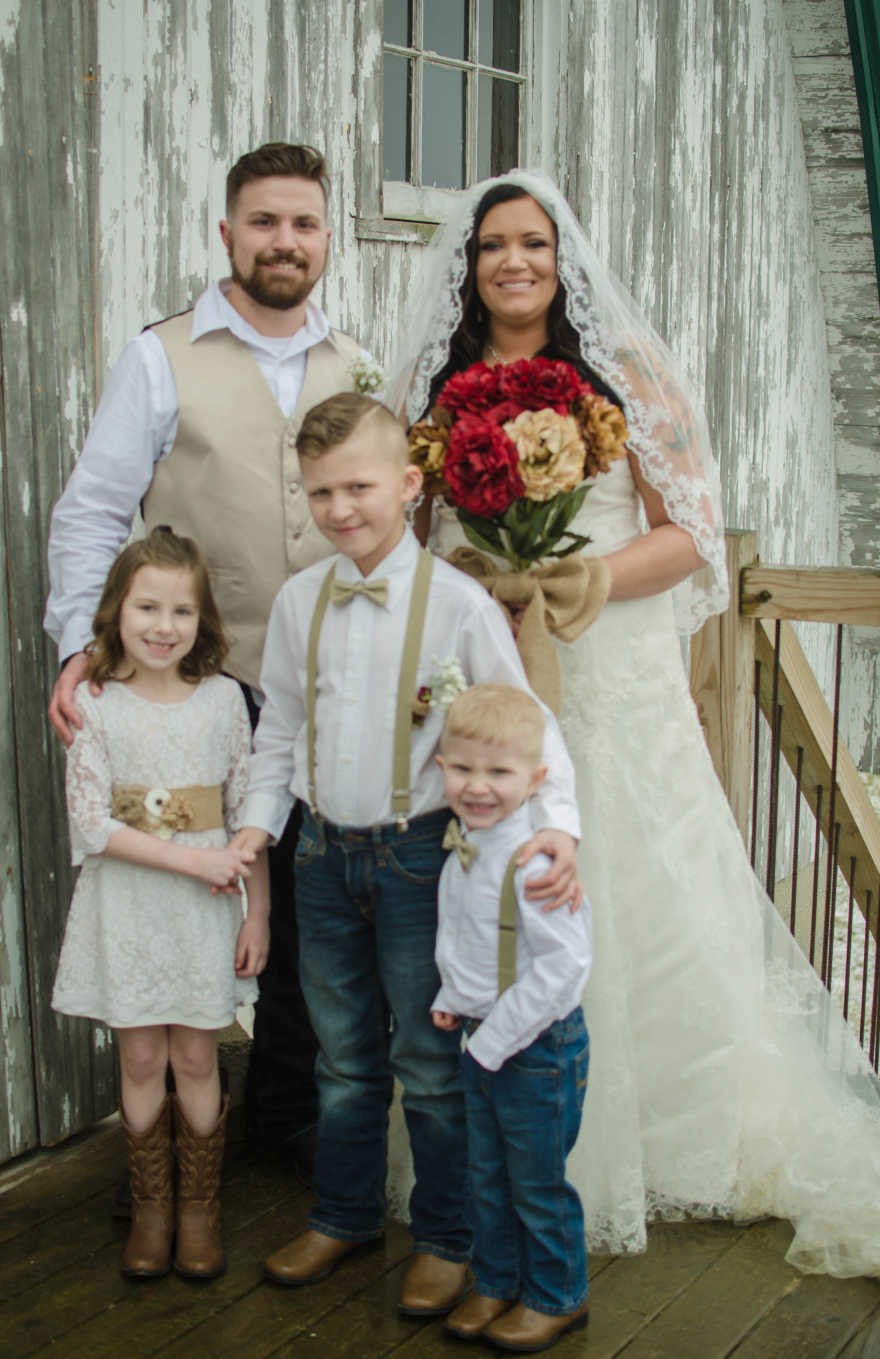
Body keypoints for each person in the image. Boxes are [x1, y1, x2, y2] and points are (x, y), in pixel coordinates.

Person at [388, 169, 880, 1291]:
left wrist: (577, 572)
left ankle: (667, 1137)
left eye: (532, 243)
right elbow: (413, 539)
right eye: (490, 247)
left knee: (638, 882)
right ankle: (512, 1145)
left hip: (608, 660)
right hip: (494, 670)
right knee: (505, 879)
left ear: (563, 258)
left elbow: (692, 539)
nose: (511, 262)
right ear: (468, 266)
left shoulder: (626, 379)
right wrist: (486, 573)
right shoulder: (447, 393)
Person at [44, 141, 369, 1162]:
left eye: (304, 223)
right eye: (264, 222)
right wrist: (76, 651)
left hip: (328, 688)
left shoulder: (355, 367)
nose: (285, 241)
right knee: (174, 891)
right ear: (227, 233)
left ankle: (284, 1124)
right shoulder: (162, 352)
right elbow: (93, 513)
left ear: (328, 239)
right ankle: (159, 1154)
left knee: (309, 917)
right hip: (191, 696)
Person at [232, 392, 583, 1315]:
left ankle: (446, 1237)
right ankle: (343, 1214)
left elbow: (528, 727)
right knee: (342, 1056)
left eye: (358, 486)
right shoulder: (298, 600)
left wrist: (560, 826)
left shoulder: (458, 605)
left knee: (429, 1064)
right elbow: (280, 732)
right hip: (318, 857)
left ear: (408, 483)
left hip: (421, 857)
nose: (340, 508)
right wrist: (257, 830)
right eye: (320, 493)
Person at [51, 526, 270, 1280]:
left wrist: (258, 910)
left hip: (205, 910)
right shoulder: (96, 702)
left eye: (181, 611)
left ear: (202, 620)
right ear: (117, 611)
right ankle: (150, 1205)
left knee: (196, 1050)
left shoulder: (221, 701)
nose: (162, 626)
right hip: (131, 901)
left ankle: (199, 1208)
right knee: (142, 1051)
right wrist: (192, 857)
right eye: (147, 606)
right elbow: (92, 821)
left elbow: (248, 816)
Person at [432, 685, 592, 1351]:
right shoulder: (466, 842)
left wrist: (492, 1040)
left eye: (499, 772)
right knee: (486, 1176)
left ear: (536, 777)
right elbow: (464, 934)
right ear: (439, 765)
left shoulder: (537, 861)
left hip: (538, 1048)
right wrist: (452, 995)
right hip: (482, 1038)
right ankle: (497, 1280)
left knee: (535, 1182)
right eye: (462, 768)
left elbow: (563, 968)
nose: (478, 786)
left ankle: (557, 1295)